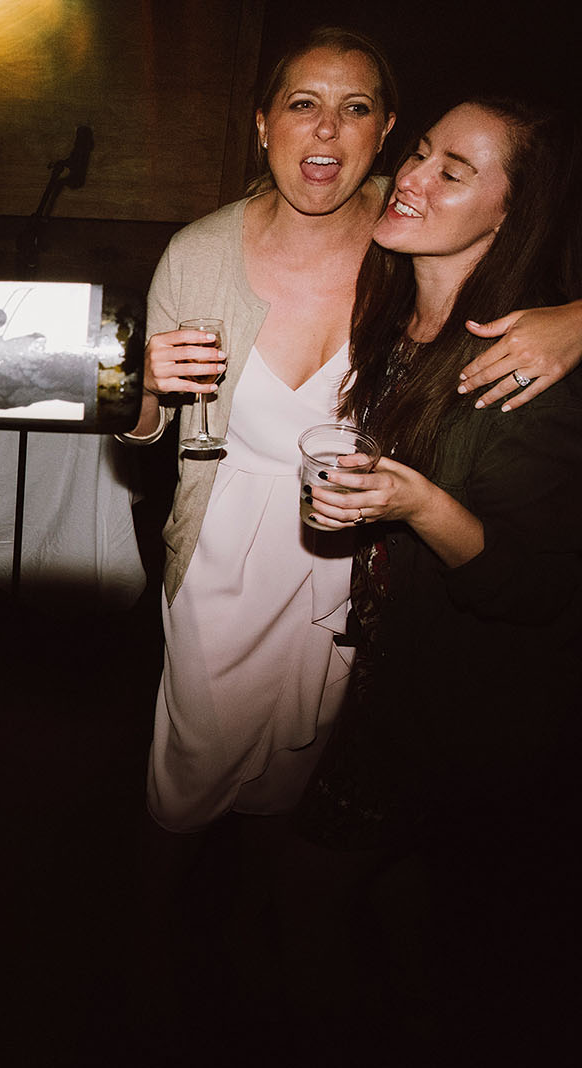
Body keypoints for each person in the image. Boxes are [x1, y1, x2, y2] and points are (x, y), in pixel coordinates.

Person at [122, 26, 582, 834]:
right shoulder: (198, 253)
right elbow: (147, 431)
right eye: (303, 104)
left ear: (384, 132)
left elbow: (522, 245)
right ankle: (161, 926)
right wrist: (136, 383)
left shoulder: (406, 238)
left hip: (356, 569)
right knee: (189, 776)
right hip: (223, 552)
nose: (327, 129)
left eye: (355, 108)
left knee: (302, 784)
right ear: (263, 123)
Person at [292, 96, 580, 1058]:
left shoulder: (520, 364)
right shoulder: (391, 315)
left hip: (464, 707)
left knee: (316, 892)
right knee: (411, 904)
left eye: (452, 170)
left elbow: (532, 585)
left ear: (510, 213)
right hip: (384, 669)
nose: (410, 176)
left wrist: (418, 507)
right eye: (418, 153)